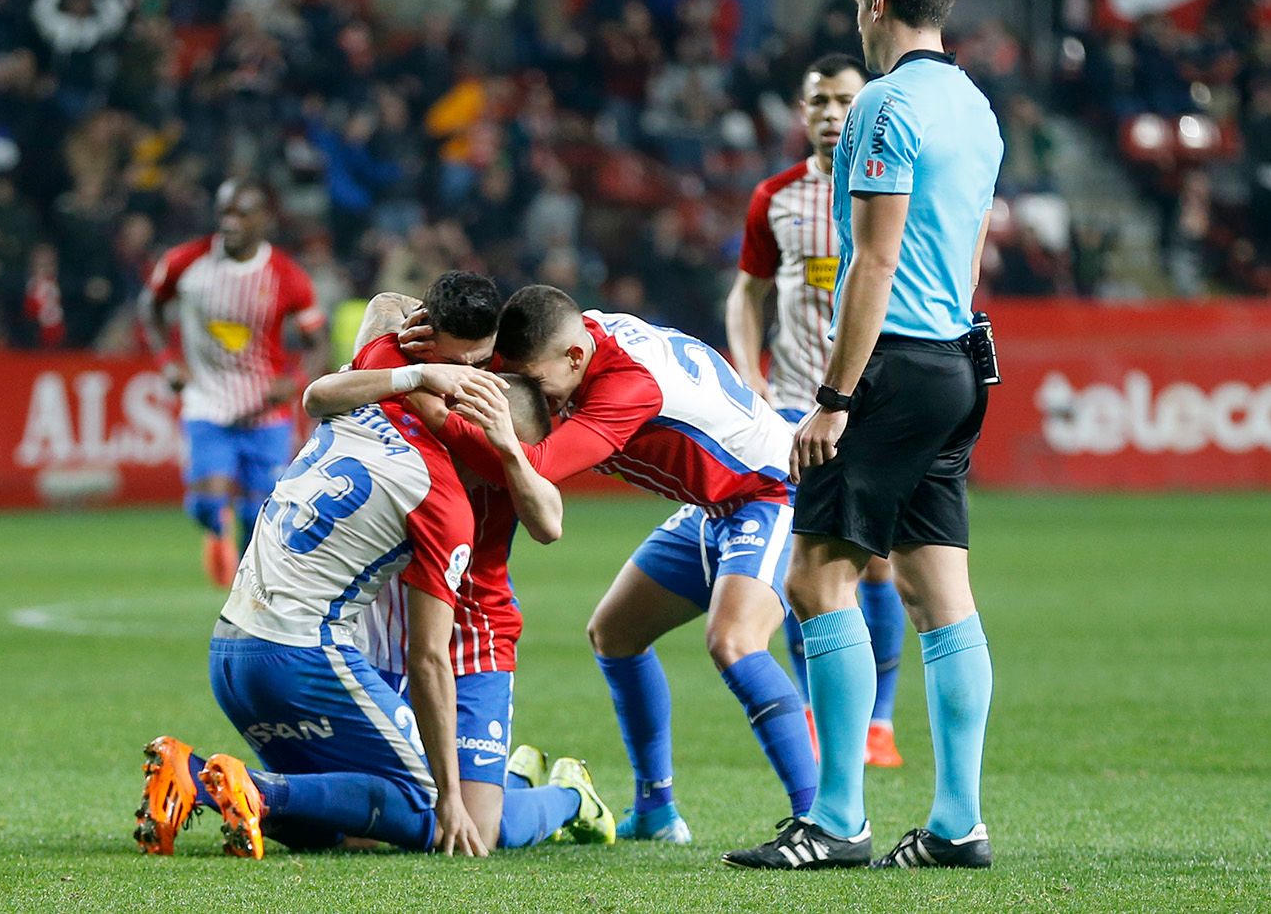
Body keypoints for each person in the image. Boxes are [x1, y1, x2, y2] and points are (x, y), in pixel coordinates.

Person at [722, 0, 1002, 871]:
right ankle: (958, 823)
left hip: (892, 364)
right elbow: (964, 256)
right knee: (937, 590)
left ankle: (837, 818)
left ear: (875, 3)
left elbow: (873, 261)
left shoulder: (884, 107)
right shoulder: (975, 106)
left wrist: (835, 397)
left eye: (855, 0)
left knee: (814, 579)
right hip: (959, 358)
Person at [427, 285, 817, 846]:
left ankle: (819, 819)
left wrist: (441, 409)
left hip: (770, 493)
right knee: (615, 633)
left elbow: (540, 465)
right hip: (715, 504)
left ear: (575, 359)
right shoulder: (565, 340)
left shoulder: (627, 386)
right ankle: (657, 811)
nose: (532, 397)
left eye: (535, 385)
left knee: (734, 641)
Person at [303, 284, 616, 851]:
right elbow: (380, 306)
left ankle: (571, 794)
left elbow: (549, 523)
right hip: (386, 622)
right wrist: (404, 329)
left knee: (480, 833)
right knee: (372, 834)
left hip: (475, 632)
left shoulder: (502, 434)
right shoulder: (432, 374)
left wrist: (505, 450)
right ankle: (510, 775)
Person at [724, 53, 907, 769]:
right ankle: (815, 711)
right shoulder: (774, 197)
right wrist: (749, 375)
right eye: (818, 103)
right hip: (797, 409)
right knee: (809, 561)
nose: (830, 115)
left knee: (881, 567)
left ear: (866, 111)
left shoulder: (889, 191)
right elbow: (746, 294)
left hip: (873, 405)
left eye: (843, 102)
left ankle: (879, 723)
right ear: (801, 114)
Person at [140, 181, 327, 585]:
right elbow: (150, 306)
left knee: (259, 513)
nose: (230, 222)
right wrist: (168, 362)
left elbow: (317, 341)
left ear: (264, 220)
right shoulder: (184, 263)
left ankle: (247, 585)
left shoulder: (287, 276)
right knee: (207, 502)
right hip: (206, 402)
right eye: (225, 212)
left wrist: (293, 380)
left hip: (265, 412)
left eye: (241, 214)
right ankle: (214, 530)